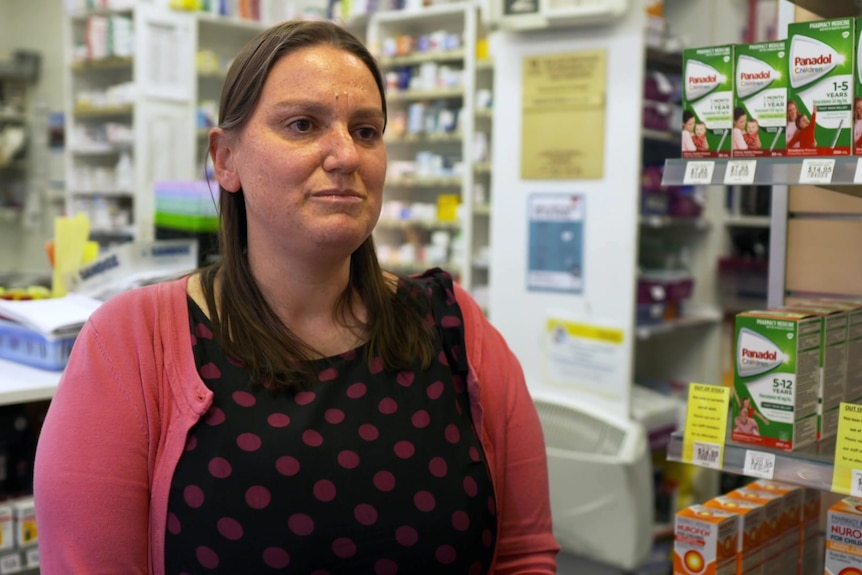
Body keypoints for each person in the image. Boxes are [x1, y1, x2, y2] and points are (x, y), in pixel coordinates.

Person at [33, 20, 559, 574]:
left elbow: (522, 556)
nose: (345, 155)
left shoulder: (457, 329)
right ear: (226, 160)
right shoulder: (130, 346)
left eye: (366, 131)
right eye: (303, 124)